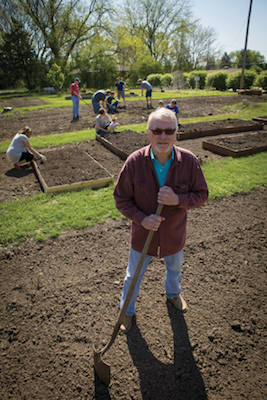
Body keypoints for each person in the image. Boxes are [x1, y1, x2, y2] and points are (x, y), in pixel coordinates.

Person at [113, 108, 209, 333]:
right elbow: (121, 198)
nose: (163, 136)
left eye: (169, 131)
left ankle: (173, 295)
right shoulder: (134, 162)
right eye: (157, 130)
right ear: (148, 133)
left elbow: (202, 195)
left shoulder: (189, 161)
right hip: (143, 236)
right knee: (132, 277)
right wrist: (141, 219)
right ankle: (126, 311)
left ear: (177, 133)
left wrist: (178, 199)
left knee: (174, 271)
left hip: (174, 234)